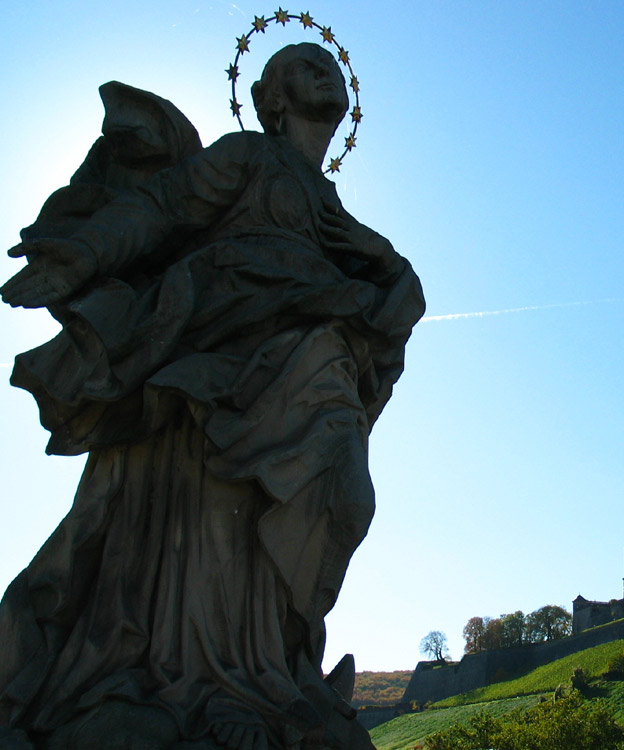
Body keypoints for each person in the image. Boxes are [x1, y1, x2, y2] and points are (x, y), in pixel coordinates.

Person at [0, 43, 424, 750]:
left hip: (306, 362)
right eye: (304, 65)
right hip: (223, 350)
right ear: (273, 99)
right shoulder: (248, 158)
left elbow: (387, 292)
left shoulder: (329, 206)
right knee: (220, 518)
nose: (327, 72)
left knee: (346, 498)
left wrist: (386, 288)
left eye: (331, 65)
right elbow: (161, 209)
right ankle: (221, 680)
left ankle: (273, 665)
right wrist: (84, 253)